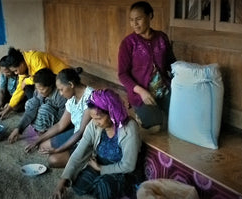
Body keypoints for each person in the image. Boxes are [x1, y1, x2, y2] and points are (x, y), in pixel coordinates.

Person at [52, 89, 142, 199]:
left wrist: (101, 169)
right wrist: (63, 179)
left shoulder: (129, 128)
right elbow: (79, 152)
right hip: (99, 164)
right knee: (79, 184)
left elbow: (128, 165)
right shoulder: (94, 125)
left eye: (99, 118)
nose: (95, 122)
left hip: (123, 172)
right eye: (93, 118)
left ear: (112, 113)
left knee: (104, 186)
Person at [118, 1, 176, 132]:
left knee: (181, 118)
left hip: (163, 89)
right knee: (156, 128)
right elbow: (122, 74)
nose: (135, 24)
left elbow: (171, 63)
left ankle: (159, 110)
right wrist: (141, 91)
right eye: (131, 20)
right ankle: (140, 115)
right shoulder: (128, 43)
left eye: (138, 19)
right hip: (142, 94)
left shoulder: (161, 38)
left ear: (150, 16)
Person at [24, 68, 94, 168]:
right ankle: (71, 154)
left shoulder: (90, 97)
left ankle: (88, 161)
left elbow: (81, 132)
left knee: (53, 160)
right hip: (76, 132)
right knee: (43, 145)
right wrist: (37, 141)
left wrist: (59, 149)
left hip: (87, 139)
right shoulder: (72, 98)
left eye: (61, 89)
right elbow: (60, 125)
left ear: (71, 84)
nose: (60, 93)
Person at [0, 47, 70, 119]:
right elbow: (20, 89)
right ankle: (37, 107)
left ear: (22, 64)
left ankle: (42, 108)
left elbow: (43, 77)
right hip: (51, 79)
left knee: (29, 84)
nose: (16, 73)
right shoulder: (24, 65)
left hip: (62, 78)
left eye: (16, 70)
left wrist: (26, 81)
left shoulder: (35, 58)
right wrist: (9, 107)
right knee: (25, 87)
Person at [7, 68, 67, 144]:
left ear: (51, 86)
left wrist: (54, 131)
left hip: (58, 121)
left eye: (42, 89)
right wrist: (19, 128)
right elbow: (31, 109)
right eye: (37, 89)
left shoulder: (60, 95)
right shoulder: (39, 91)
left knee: (44, 110)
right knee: (30, 103)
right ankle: (39, 129)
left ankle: (45, 133)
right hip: (47, 116)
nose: (39, 91)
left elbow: (63, 120)